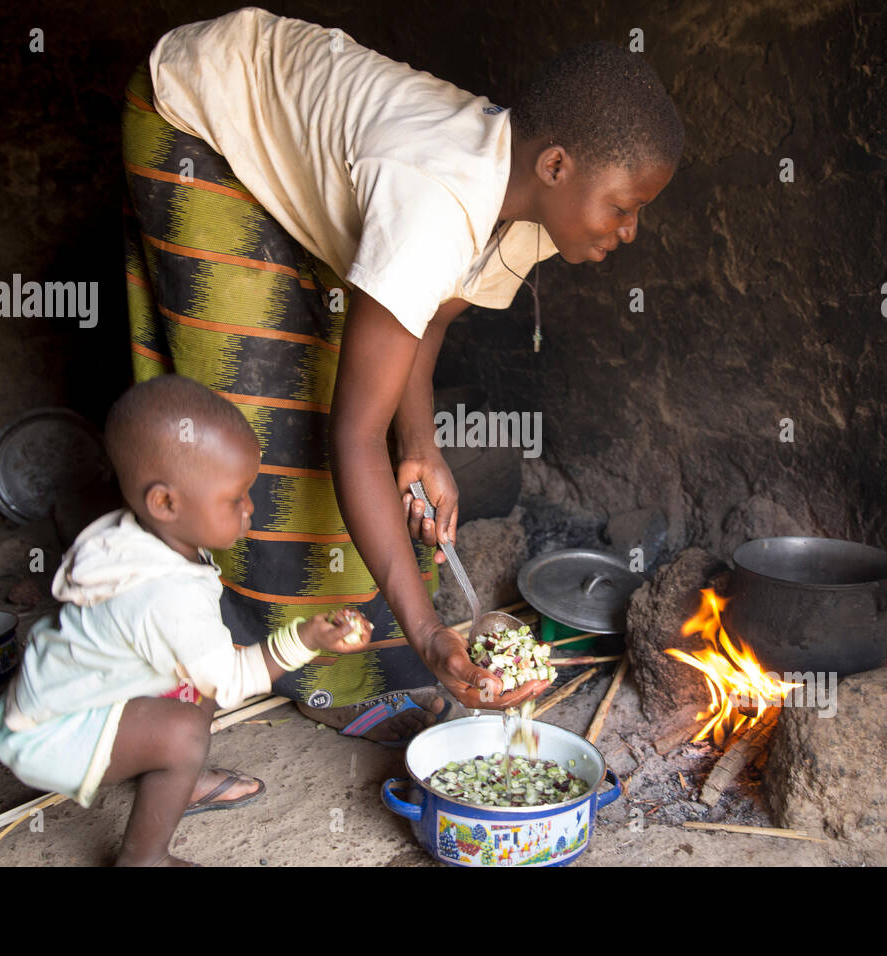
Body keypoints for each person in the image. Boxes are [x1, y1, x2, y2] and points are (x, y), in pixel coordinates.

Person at [121, 7, 683, 742]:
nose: (631, 230)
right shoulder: (435, 204)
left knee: (357, 383)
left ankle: (370, 656)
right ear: (556, 167)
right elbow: (354, 435)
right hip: (200, 113)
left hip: (297, 135)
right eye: (623, 207)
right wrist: (427, 632)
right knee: (264, 413)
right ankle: (296, 670)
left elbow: (431, 315)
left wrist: (420, 443)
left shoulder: (531, 209)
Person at [0, 375, 374, 866]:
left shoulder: (140, 537)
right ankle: (144, 858)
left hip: (69, 693)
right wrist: (307, 637)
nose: (250, 509)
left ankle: (178, 781)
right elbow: (234, 684)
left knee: (196, 689)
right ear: (165, 503)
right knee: (185, 733)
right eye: (235, 498)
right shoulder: (163, 595)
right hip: (47, 732)